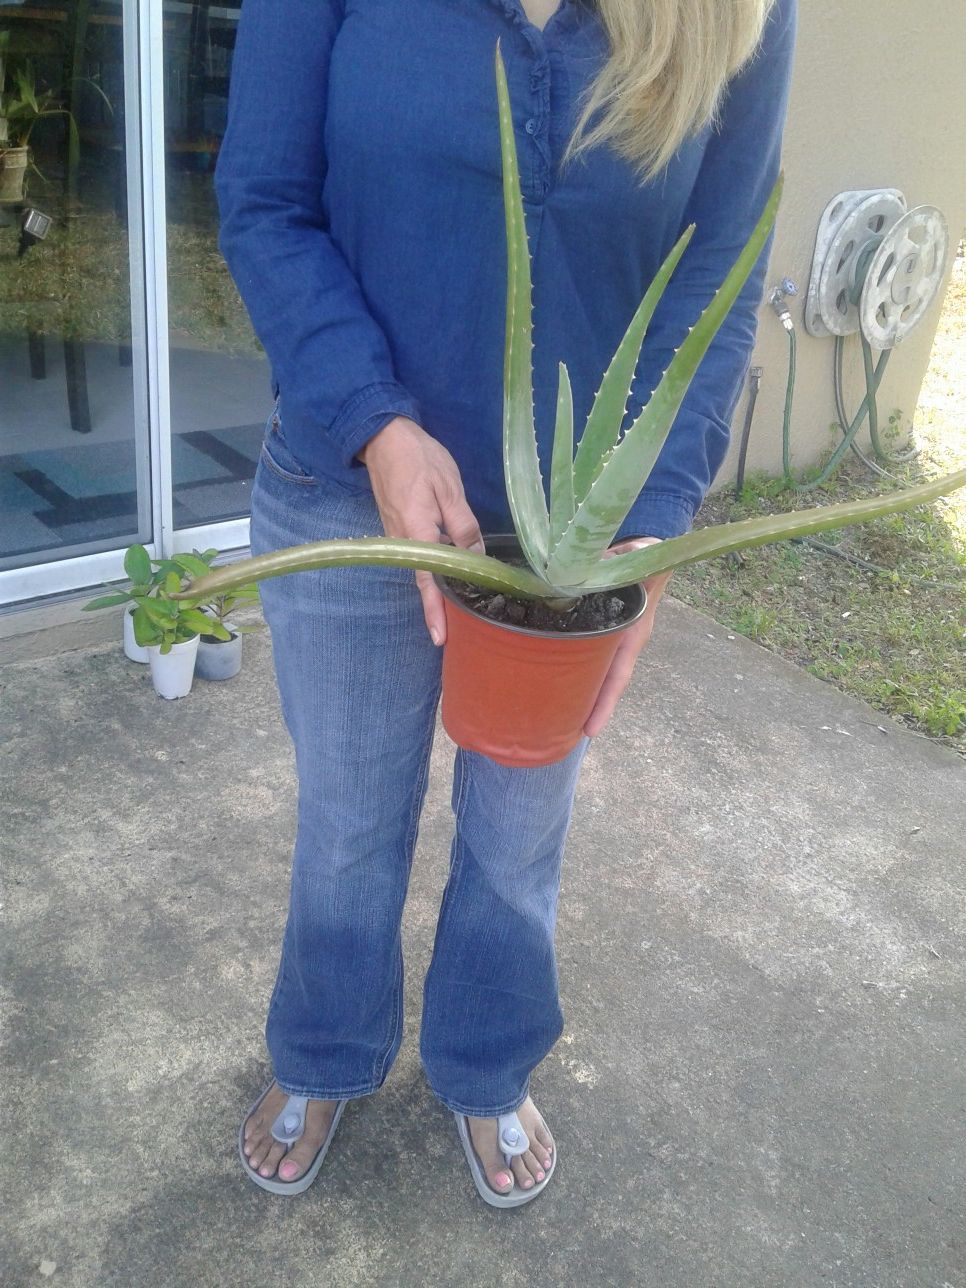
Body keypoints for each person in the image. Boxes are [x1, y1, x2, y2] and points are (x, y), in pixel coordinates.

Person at [215, 0, 796, 1207]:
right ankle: (326, 1051)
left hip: (573, 533)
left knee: (522, 836)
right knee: (349, 821)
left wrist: (657, 521)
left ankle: (484, 1063)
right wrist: (377, 421)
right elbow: (266, 200)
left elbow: (722, 277)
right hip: (349, 488)